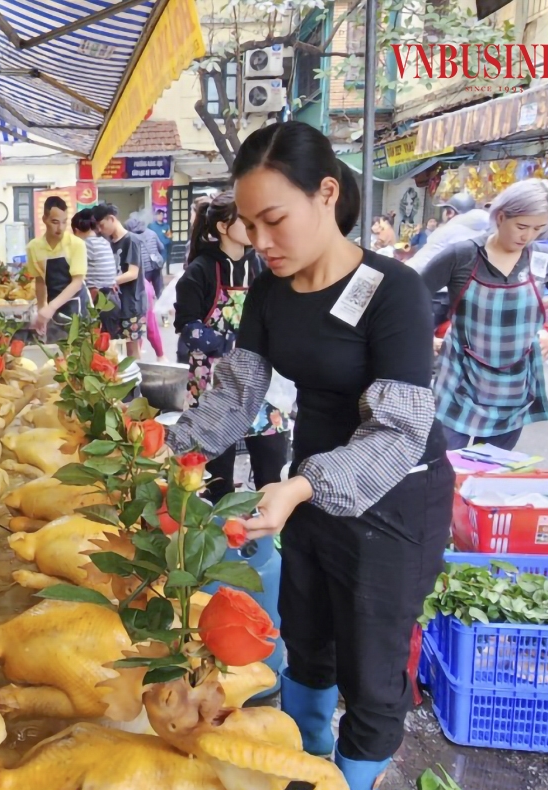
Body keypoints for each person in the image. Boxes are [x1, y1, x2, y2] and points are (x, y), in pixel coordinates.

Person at [166, 120, 453, 790]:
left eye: (274, 220)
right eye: (248, 225)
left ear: (327, 193)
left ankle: (350, 780)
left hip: (394, 498)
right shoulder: (270, 289)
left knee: (372, 665)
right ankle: (302, 763)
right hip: (314, 482)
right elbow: (238, 394)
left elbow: (397, 431)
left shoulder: (394, 291)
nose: (260, 243)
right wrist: (167, 451)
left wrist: (301, 487)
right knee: (306, 635)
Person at [420, 178, 548, 451]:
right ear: (501, 216)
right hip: (458, 378)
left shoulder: (545, 259)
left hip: (512, 385)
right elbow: (411, 295)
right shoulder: (463, 255)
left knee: (492, 468)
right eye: (521, 226)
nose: (528, 236)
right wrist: (423, 337)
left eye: (538, 228)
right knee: (445, 466)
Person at [173, 191, 291, 496]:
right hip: (216, 384)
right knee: (217, 479)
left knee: (272, 468)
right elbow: (189, 331)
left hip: (262, 385)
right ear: (223, 227)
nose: (255, 227)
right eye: (246, 220)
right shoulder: (199, 271)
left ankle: (267, 539)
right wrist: (233, 343)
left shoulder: (262, 268)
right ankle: (220, 537)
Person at [408, 192, 491, 330]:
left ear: (450, 212)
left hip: (439, 299)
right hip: (471, 301)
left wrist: (398, 273)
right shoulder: (483, 232)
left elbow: (422, 262)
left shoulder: (447, 231)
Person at [27, 196, 89, 341]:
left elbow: (77, 282)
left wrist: (51, 307)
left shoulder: (76, 244)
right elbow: (40, 281)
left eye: (64, 222)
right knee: (56, 356)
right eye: (54, 222)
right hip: (54, 309)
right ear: (44, 219)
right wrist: (42, 309)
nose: (60, 228)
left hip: (78, 307)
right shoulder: (34, 247)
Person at [94, 203, 147, 359]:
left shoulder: (132, 240)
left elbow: (132, 273)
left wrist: (108, 280)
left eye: (101, 225)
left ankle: (136, 381)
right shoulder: (107, 243)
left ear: (111, 219)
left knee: (132, 350)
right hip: (113, 305)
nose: (100, 230)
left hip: (132, 304)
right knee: (111, 348)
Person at [72, 209, 119, 328]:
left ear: (76, 231)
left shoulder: (84, 244)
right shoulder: (104, 242)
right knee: (110, 343)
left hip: (98, 300)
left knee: (96, 342)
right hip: (112, 299)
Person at [125, 215, 166, 297]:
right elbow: (161, 247)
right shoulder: (152, 233)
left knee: (144, 293)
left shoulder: (130, 237)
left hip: (142, 269)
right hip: (156, 266)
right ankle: (162, 308)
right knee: (160, 291)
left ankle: (148, 308)